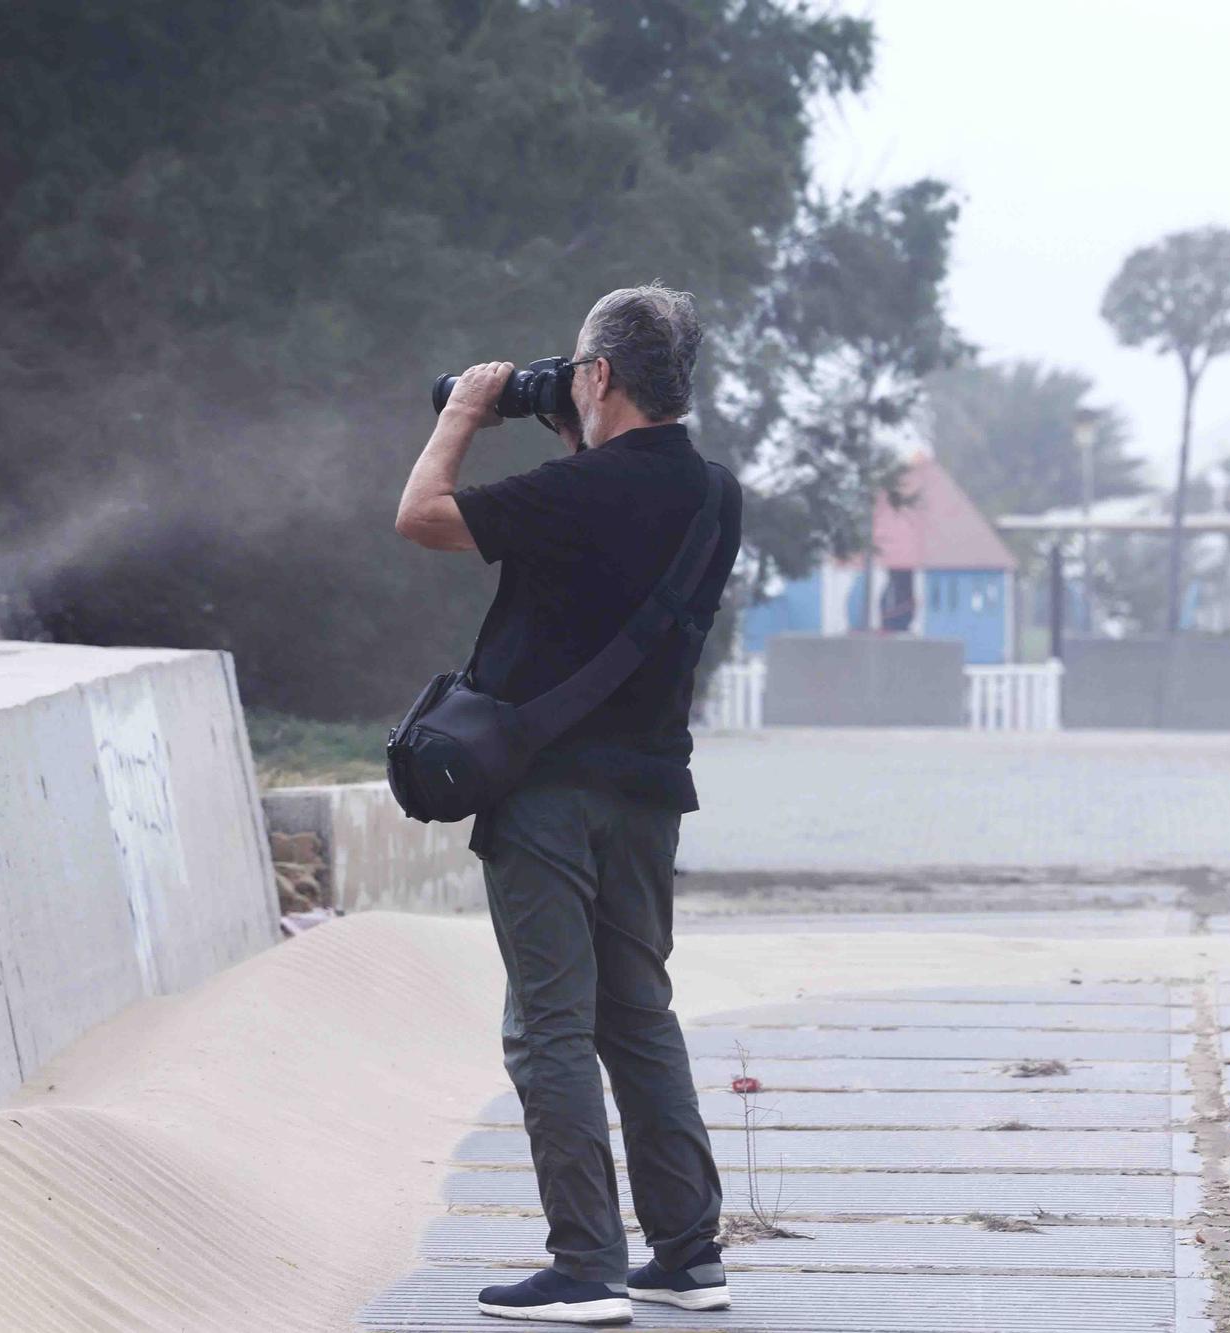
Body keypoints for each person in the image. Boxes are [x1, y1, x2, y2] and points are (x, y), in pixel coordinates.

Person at [394, 284, 741, 1324]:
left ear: (598, 376)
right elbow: (620, 525)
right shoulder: (716, 494)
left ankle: (583, 1265)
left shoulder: (575, 492)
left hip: (546, 796)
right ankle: (685, 1255)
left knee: (546, 1024)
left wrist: (463, 410)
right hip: (647, 795)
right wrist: (561, 411)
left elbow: (419, 516)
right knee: (635, 1017)